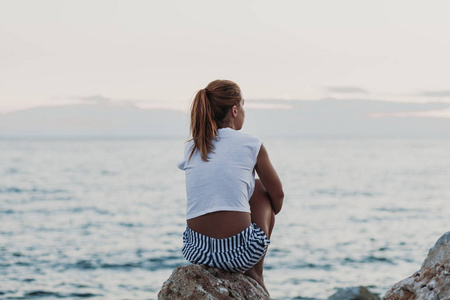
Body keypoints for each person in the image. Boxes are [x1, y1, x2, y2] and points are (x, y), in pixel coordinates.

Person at [177, 79, 284, 294]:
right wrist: (266, 215)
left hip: (197, 252)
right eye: (243, 106)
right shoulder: (251, 144)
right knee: (260, 187)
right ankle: (257, 272)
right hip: (240, 255)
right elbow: (278, 196)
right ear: (235, 110)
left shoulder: (192, 146)